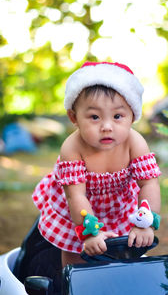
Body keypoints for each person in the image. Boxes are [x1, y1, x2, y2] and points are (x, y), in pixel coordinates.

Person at [32, 61, 161, 267]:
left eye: (118, 116)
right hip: (78, 209)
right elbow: (76, 195)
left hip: (119, 206)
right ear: (74, 117)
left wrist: (146, 225)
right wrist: (89, 234)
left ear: (133, 116)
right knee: (76, 255)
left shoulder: (135, 142)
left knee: (124, 252)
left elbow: (149, 184)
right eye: (94, 117)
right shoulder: (72, 148)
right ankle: (72, 282)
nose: (107, 126)